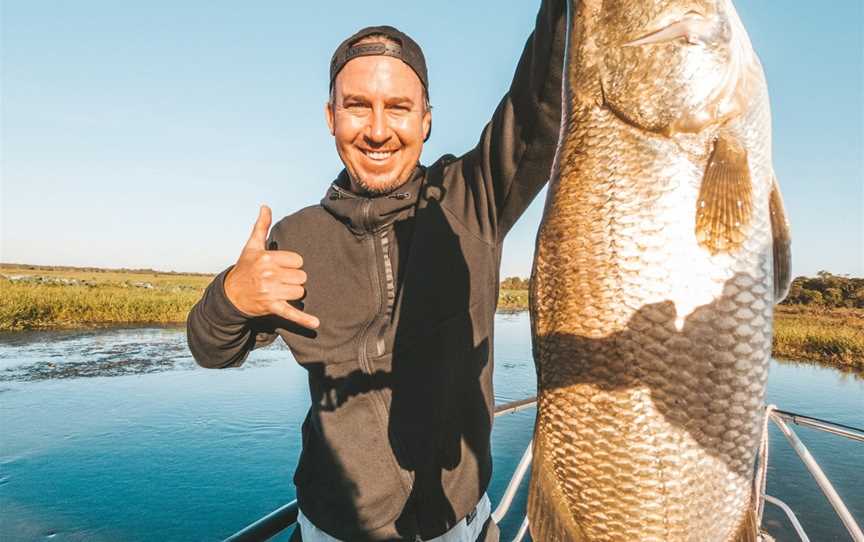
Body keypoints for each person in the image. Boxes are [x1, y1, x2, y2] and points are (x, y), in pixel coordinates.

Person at [187, 2, 565, 540]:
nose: (379, 129)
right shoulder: (296, 238)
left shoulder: (473, 197)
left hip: (457, 527)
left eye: (400, 107)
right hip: (328, 528)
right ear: (331, 117)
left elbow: (542, 104)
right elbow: (210, 349)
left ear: (426, 119)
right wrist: (231, 297)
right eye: (358, 106)